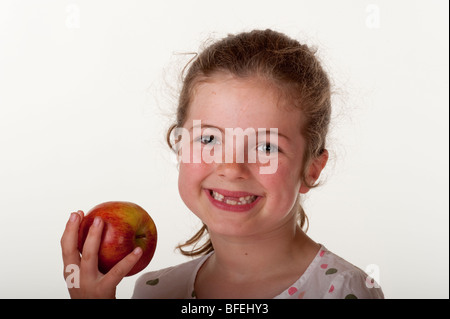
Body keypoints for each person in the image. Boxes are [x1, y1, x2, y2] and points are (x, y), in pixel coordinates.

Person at [61, 29, 384, 299]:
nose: (231, 167)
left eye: (266, 146)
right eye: (209, 140)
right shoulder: (155, 291)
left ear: (311, 169)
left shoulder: (344, 290)